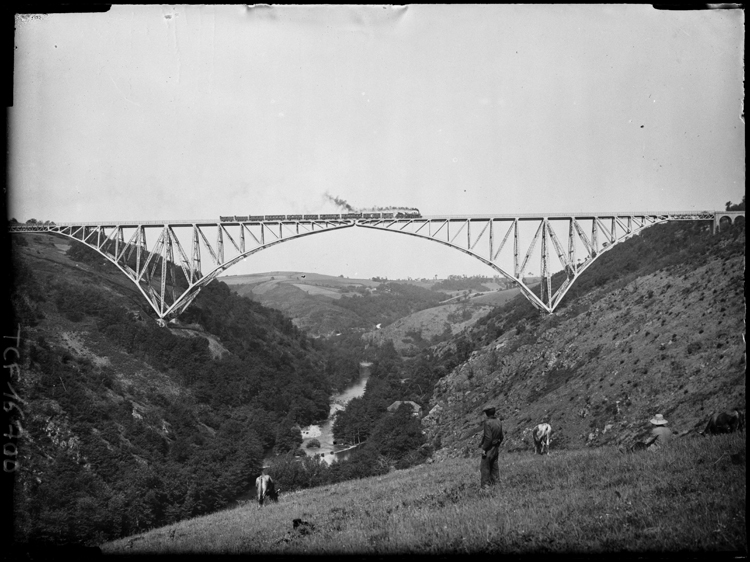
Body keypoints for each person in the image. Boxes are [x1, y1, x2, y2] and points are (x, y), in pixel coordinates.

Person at [478, 405, 504, 488]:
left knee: (485, 467)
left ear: (486, 413)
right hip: (496, 448)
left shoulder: (487, 422)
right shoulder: (498, 421)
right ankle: (497, 485)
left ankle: (485, 487)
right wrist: (497, 444)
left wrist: (484, 449)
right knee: (494, 467)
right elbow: (501, 436)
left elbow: (488, 438)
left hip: (489, 448)